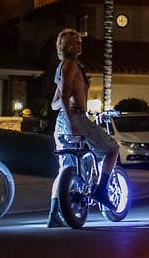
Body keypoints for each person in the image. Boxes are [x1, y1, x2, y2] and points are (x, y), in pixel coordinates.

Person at [49, 28, 118, 221]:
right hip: (76, 118)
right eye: (77, 41)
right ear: (68, 45)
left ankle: (54, 215)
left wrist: (68, 103)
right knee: (112, 148)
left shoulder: (63, 67)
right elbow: (62, 96)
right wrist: (72, 120)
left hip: (62, 120)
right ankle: (102, 190)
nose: (81, 44)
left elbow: (55, 103)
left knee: (65, 170)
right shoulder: (70, 65)